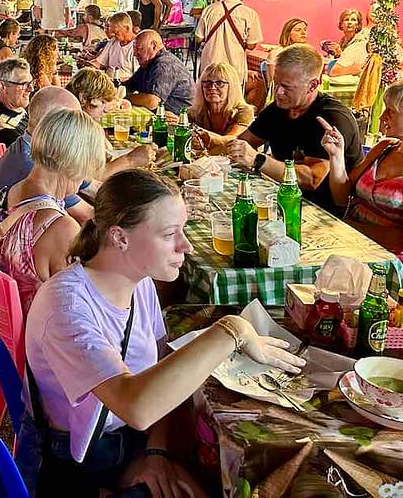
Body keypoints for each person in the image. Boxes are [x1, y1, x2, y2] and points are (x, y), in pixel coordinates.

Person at [19, 169, 303, 497]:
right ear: (119, 237)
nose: (186, 246)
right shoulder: (66, 308)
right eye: (170, 234)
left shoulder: (138, 282)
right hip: (79, 465)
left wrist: (156, 452)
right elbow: (136, 406)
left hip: (128, 443)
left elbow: (161, 360)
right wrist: (231, 330)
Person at [321, 82, 403, 295]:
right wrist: (336, 156)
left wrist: (346, 227)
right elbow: (342, 197)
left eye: (390, 111)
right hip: (350, 244)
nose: (383, 116)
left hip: (389, 263)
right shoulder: (386, 147)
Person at [0, 108, 106, 313]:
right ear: (73, 163)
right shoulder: (61, 227)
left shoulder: (10, 191)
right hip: (40, 330)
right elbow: (74, 307)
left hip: (7, 313)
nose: (85, 178)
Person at [227, 43, 363, 213]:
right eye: (276, 84)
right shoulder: (278, 108)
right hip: (284, 199)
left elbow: (312, 179)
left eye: (287, 87)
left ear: (313, 85)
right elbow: (243, 143)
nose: (278, 93)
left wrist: (258, 160)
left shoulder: (332, 118)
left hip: (326, 211)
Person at [0, 87, 93, 219]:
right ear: (50, 125)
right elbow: (88, 216)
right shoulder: (35, 167)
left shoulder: (29, 147)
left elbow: (90, 184)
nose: (78, 130)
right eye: (72, 122)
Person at [194, 0, 263, 79]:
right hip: (234, 69)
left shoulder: (209, 10)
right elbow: (251, 45)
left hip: (209, 66)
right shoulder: (250, 14)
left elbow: (198, 38)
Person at [189, 62, 255, 154]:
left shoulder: (244, 112)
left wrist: (199, 133)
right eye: (207, 83)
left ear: (232, 86)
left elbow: (231, 141)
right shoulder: (194, 112)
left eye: (219, 83)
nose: (212, 87)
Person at [124, 30, 194, 115]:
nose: (135, 54)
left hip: (180, 119)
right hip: (162, 116)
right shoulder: (148, 63)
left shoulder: (164, 64)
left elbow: (152, 102)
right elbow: (129, 85)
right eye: (134, 49)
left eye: (139, 49)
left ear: (153, 46)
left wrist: (126, 97)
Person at [0, 58, 32, 155]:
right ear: (2, 87)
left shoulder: (9, 107)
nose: (31, 89)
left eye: (30, 83)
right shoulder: (6, 132)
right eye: (23, 84)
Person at [86, 12, 138, 80]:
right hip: (108, 81)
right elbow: (99, 62)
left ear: (127, 28)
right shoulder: (113, 41)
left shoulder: (137, 46)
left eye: (116, 32)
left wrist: (116, 80)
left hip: (124, 86)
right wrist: (87, 67)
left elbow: (137, 77)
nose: (113, 35)